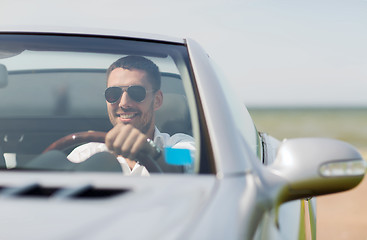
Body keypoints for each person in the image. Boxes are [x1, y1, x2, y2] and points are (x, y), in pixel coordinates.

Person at [68, 56, 195, 175]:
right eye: (113, 93)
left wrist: (150, 151)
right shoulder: (85, 155)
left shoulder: (177, 144)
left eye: (136, 92)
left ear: (157, 100)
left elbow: (187, 164)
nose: (124, 103)